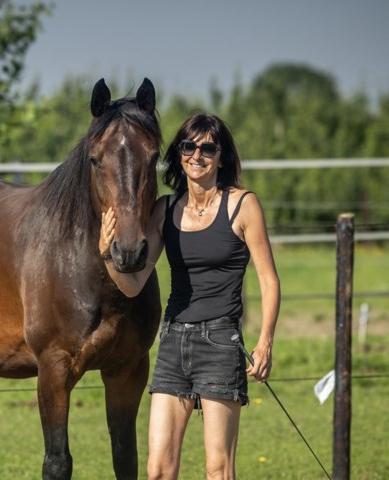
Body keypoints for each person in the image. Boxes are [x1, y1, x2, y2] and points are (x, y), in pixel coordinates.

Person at [99, 113, 280, 479]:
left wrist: (264, 343)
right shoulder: (165, 210)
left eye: (208, 147)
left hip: (220, 343)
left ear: (222, 157)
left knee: (217, 470)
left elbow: (269, 281)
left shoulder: (243, 205)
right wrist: (107, 255)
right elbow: (134, 285)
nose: (197, 155)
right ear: (179, 154)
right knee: (158, 471)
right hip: (173, 342)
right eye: (189, 146)